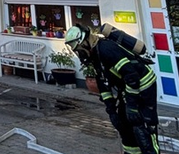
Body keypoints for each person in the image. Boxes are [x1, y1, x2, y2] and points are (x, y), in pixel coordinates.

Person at [65, 24, 159, 154]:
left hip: (144, 86)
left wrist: (132, 105)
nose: (78, 53)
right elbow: (102, 83)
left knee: (142, 127)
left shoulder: (106, 49)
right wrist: (111, 111)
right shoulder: (95, 55)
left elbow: (131, 76)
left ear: (85, 42)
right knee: (124, 126)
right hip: (126, 89)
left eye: (78, 49)